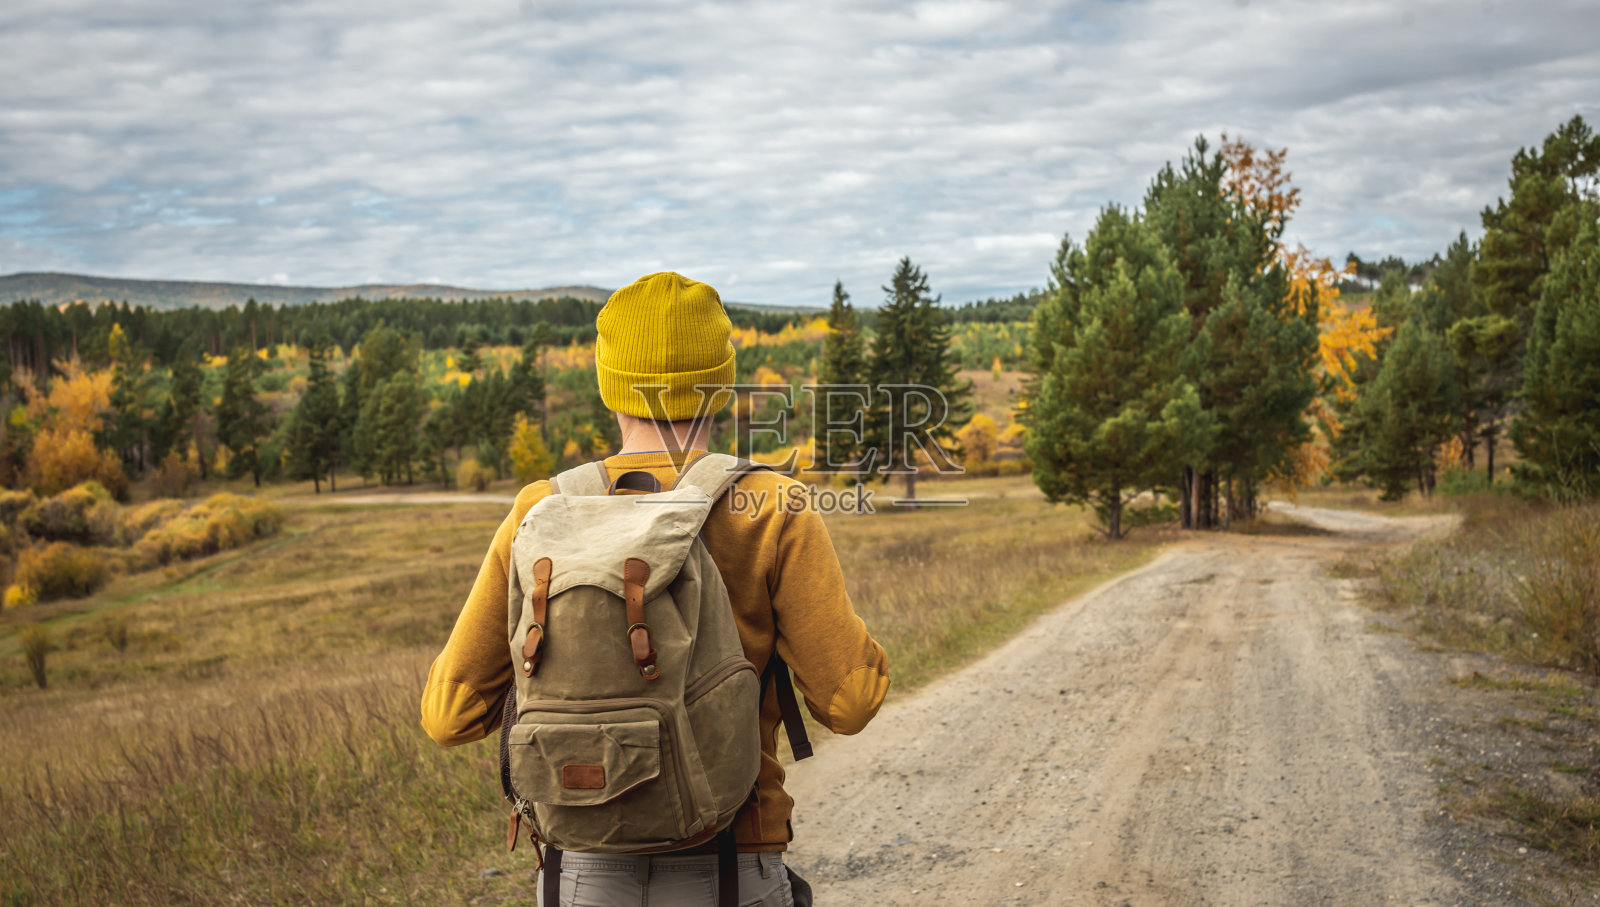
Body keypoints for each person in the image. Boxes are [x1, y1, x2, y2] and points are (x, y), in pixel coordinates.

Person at [421, 271, 891, 906]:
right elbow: (851, 703)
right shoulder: (773, 506)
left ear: (609, 384)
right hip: (733, 859)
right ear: (721, 386)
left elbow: (450, 718)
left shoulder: (542, 510)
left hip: (581, 870)